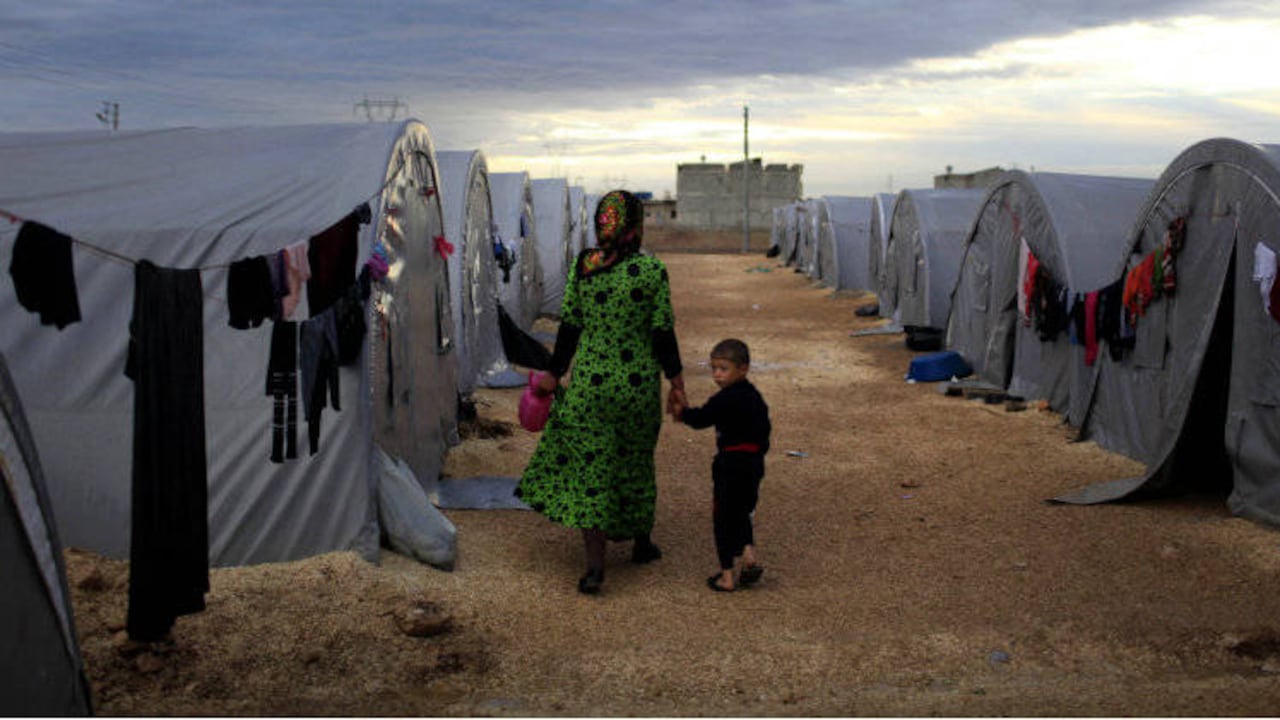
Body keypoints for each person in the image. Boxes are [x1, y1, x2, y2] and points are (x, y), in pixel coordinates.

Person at [515, 190, 686, 595]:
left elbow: (570, 327)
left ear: (600, 223)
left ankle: (594, 569)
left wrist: (555, 374)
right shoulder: (651, 271)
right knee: (635, 461)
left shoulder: (584, 267)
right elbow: (663, 333)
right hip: (638, 388)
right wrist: (677, 381)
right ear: (636, 224)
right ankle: (642, 544)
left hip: (591, 387)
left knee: (592, 470)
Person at [673, 338, 771, 592]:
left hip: (730, 464)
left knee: (723, 517)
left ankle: (727, 576)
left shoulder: (724, 399)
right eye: (714, 368)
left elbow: (700, 419)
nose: (717, 375)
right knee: (742, 511)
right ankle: (748, 556)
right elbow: (765, 433)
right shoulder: (755, 398)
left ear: (743, 368)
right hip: (753, 464)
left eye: (723, 368)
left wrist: (682, 411)